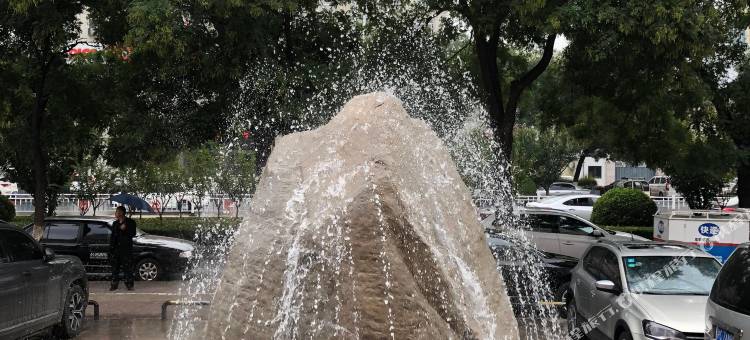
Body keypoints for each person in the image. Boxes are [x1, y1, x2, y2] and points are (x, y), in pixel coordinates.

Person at [110, 206, 137, 290]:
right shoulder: (115, 223)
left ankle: (129, 284)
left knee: (127, 268)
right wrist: (111, 248)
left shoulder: (131, 222)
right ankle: (114, 284)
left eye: (117, 211)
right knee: (115, 268)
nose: (116, 213)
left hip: (126, 250)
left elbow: (132, 234)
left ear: (122, 212)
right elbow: (113, 236)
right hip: (116, 250)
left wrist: (125, 229)